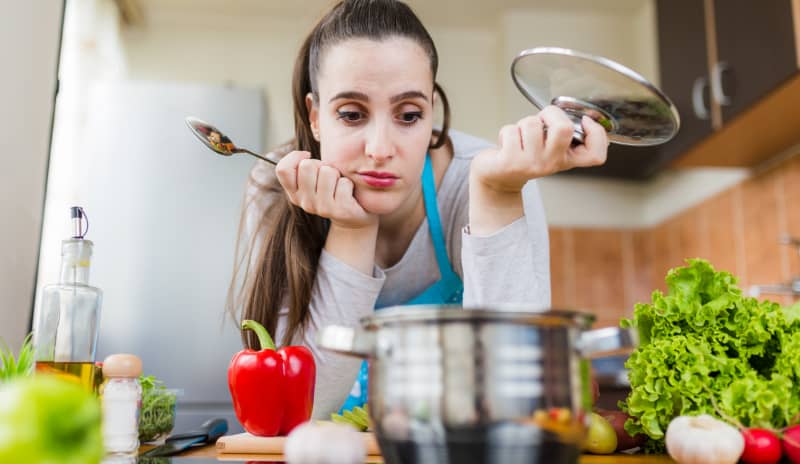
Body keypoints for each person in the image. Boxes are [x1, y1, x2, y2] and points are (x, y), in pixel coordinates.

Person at [227, 0, 608, 419]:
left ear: (431, 113)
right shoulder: (272, 189)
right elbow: (301, 411)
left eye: (408, 115)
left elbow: (524, 398)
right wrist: (351, 230)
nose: (380, 149)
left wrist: (497, 194)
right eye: (352, 114)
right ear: (315, 117)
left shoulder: (481, 179)